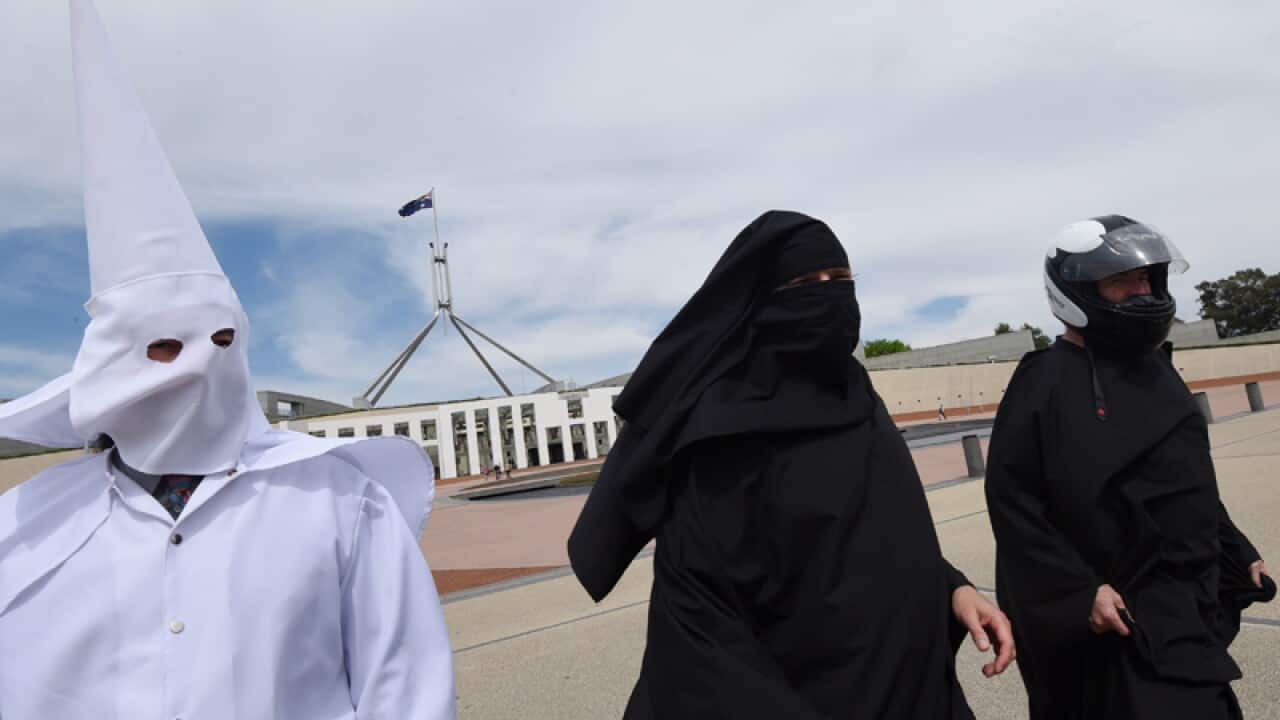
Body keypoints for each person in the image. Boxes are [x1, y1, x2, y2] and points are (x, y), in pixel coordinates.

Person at [0, 2, 455, 717]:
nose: (200, 370)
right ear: (110, 363)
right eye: (162, 348)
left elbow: (405, 687)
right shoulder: (24, 526)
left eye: (222, 341)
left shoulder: (340, 503)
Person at [568, 210, 1014, 719]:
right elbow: (702, 622)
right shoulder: (722, 435)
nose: (829, 295)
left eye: (841, 280)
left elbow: (873, 539)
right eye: (807, 283)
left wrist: (952, 588)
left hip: (916, 693)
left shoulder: (855, 394)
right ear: (764, 301)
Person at [985, 215, 1274, 720]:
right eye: (1120, 281)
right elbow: (1014, 507)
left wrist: (1236, 550)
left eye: (1145, 278)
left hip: (1183, 609)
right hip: (1110, 621)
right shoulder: (1042, 382)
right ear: (1075, 291)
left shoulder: (1156, 370)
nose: (1141, 291)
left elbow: (1185, 484)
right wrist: (1078, 591)